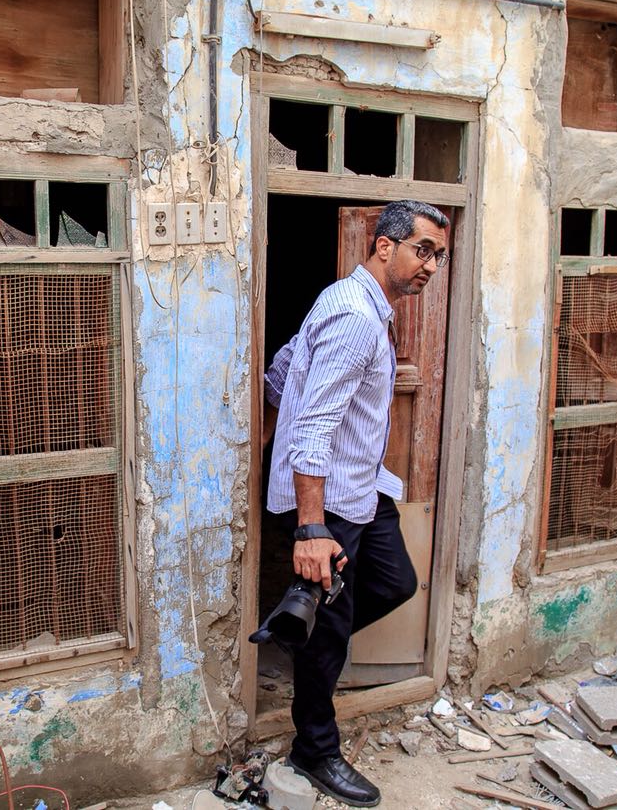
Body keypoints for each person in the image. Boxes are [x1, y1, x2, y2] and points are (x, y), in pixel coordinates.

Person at [262, 199, 451, 806]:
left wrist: (272, 419)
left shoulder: (358, 303)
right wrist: (310, 528)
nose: (431, 266)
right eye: (423, 250)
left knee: (395, 582)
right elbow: (314, 428)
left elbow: (283, 367)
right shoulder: (354, 315)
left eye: (439, 256)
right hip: (332, 504)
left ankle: (304, 635)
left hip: (362, 488)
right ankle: (314, 750)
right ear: (384, 246)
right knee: (331, 631)